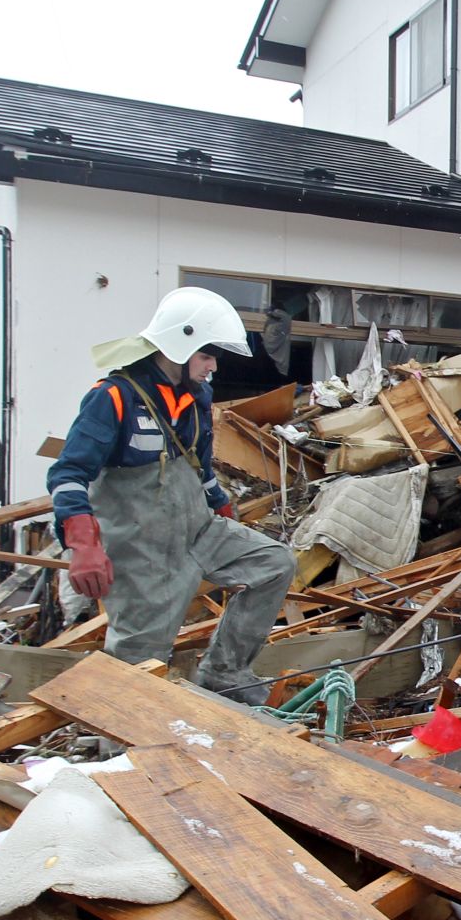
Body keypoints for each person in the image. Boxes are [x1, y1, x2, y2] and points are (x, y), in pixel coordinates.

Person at [46, 287, 295, 705]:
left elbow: (199, 466)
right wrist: (83, 543)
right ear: (179, 345)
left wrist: (221, 507)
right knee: (139, 660)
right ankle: (121, 750)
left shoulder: (197, 397)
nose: (214, 366)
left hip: (197, 530)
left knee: (273, 563)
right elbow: (69, 473)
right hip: (142, 550)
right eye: (207, 354)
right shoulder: (113, 397)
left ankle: (224, 670)